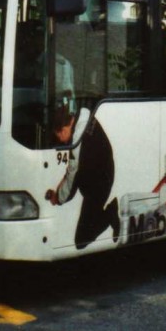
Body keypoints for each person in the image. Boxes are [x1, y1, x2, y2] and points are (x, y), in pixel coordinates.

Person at [46, 101, 120, 250]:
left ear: (68, 125)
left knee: (81, 240)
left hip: (99, 184)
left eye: (60, 133)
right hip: (102, 172)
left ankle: (110, 214)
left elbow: (73, 179)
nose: (60, 139)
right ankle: (104, 215)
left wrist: (58, 198)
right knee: (90, 220)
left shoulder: (78, 142)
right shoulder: (82, 115)